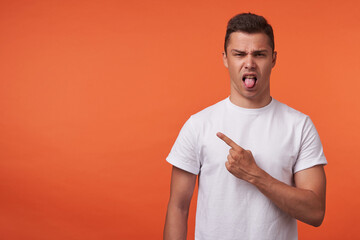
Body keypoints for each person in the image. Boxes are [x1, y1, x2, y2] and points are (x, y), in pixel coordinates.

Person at [163, 13, 327, 240]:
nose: (249, 63)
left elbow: (315, 212)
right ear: (225, 59)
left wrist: (255, 175)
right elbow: (178, 208)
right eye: (239, 54)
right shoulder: (198, 125)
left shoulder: (299, 126)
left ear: (273, 59)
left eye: (259, 54)